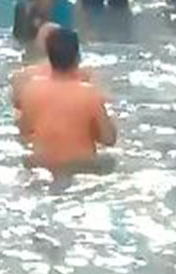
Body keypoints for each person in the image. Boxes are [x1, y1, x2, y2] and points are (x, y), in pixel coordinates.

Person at [14, 28, 116, 169]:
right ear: (77, 58)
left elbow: (24, 131)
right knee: (109, 162)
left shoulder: (31, 90)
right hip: (82, 166)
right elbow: (109, 139)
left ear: (49, 57)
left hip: (43, 165)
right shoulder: (89, 94)